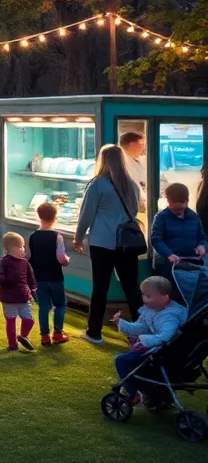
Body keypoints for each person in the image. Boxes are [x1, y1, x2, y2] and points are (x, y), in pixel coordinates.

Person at [74, 143, 144, 345]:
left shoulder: (98, 184)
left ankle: (94, 332)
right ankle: (139, 333)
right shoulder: (132, 184)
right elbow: (134, 211)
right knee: (132, 289)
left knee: (100, 288)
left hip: (102, 243)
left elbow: (86, 214)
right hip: (126, 244)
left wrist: (78, 237)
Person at [112, 275, 188, 405]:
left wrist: (144, 340)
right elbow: (139, 327)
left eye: (148, 296)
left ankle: (133, 393)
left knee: (121, 360)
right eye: (143, 295)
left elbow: (165, 337)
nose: (144, 299)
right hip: (157, 349)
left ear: (164, 297)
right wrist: (121, 323)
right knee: (129, 359)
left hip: (162, 351)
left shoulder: (170, 316)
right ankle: (154, 396)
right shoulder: (151, 310)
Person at [28, 202, 70, 345]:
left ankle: (44, 335)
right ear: (55, 218)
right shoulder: (57, 236)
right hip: (55, 277)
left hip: (39, 277)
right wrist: (67, 260)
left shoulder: (33, 236)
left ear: (39, 217)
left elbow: (29, 257)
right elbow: (61, 258)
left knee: (44, 306)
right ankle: (57, 332)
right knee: (60, 304)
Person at [150, 182, 207, 281]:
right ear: (168, 201)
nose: (178, 212)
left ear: (187, 201)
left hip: (192, 261)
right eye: (174, 209)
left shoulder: (193, 216)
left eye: (181, 208)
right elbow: (156, 240)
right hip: (169, 263)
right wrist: (168, 254)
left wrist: (202, 246)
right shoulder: (161, 217)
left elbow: (202, 237)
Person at [0, 232, 37, 351]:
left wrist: (33, 288)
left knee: (29, 320)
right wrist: (4, 281)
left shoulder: (25, 263)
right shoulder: (5, 262)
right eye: (20, 246)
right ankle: (12, 344)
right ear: (10, 248)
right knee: (11, 321)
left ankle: (23, 336)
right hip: (8, 298)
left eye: (23, 246)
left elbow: (30, 277)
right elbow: (0, 276)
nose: (22, 249)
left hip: (23, 296)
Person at [119, 131, 148, 214]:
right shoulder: (122, 163)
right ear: (132, 144)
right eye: (141, 144)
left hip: (142, 204)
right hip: (132, 206)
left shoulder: (140, 160)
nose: (144, 148)